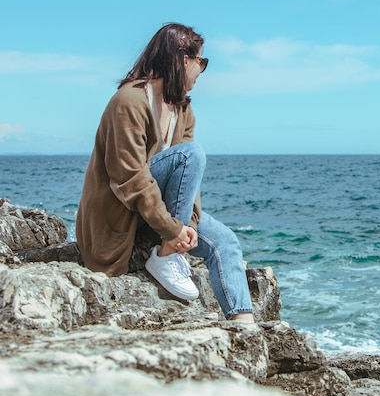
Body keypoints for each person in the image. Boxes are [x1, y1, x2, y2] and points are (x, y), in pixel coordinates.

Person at [76, 23, 254, 322]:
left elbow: (188, 183)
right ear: (184, 59)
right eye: (202, 62)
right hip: (120, 214)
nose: (202, 70)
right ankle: (168, 255)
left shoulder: (183, 109)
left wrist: (189, 226)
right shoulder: (129, 101)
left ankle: (245, 326)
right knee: (191, 154)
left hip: (158, 215)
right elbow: (129, 179)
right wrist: (173, 233)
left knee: (225, 242)